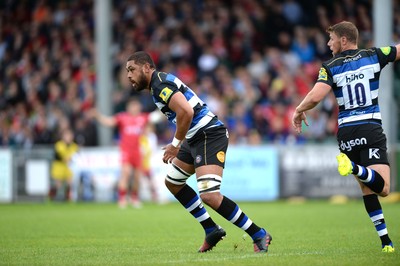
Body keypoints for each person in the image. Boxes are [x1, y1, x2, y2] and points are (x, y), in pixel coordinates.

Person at [125, 51, 272, 253]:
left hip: (208, 134)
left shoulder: (159, 84)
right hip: (195, 137)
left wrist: (175, 144)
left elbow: (186, 111)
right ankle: (211, 229)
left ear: (147, 67)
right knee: (173, 182)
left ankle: (258, 234)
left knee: (210, 195)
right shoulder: (157, 85)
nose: (128, 75)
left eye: (131, 69)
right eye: (126, 71)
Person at [292, 21, 399, 253]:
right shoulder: (374, 55)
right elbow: (398, 50)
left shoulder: (330, 66)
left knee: (367, 189)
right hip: (369, 127)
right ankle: (353, 167)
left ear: (343, 40)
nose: (328, 44)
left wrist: (299, 109)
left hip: (346, 133)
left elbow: (315, 96)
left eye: (331, 39)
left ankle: (386, 242)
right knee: (384, 188)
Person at [92, 97, 156, 208]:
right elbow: (108, 122)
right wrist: (98, 115)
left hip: (138, 151)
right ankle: (122, 198)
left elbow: (156, 118)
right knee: (126, 173)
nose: (134, 108)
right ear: (128, 107)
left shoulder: (143, 118)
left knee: (137, 177)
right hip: (126, 151)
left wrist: (167, 106)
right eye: (132, 106)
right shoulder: (122, 118)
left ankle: (134, 198)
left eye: (136, 106)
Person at [49, 128, 79, 201]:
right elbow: (61, 156)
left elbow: (76, 156)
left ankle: (68, 198)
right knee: (58, 184)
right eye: (67, 135)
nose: (69, 137)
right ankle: (51, 196)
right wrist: (69, 158)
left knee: (70, 183)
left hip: (69, 167)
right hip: (59, 166)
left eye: (70, 135)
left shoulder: (74, 146)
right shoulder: (59, 145)